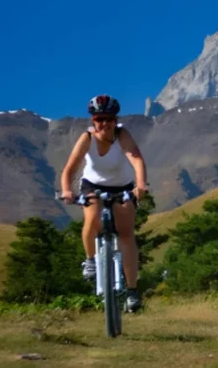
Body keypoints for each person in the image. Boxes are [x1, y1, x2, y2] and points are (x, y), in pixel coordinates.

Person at [60, 94, 148, 312]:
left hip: (123, 186)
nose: (104, 124)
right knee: (92, 215)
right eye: (100, 119)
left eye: (109, 119)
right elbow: (70, 168)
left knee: (126, 233)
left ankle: (132, 290)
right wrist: (67, 190)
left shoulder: (122, 134)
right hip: (93, 185)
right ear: (93, 120)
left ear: (115, 119)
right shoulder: (87, 138)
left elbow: (135, 158)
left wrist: (141, 184)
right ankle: (90, 260)